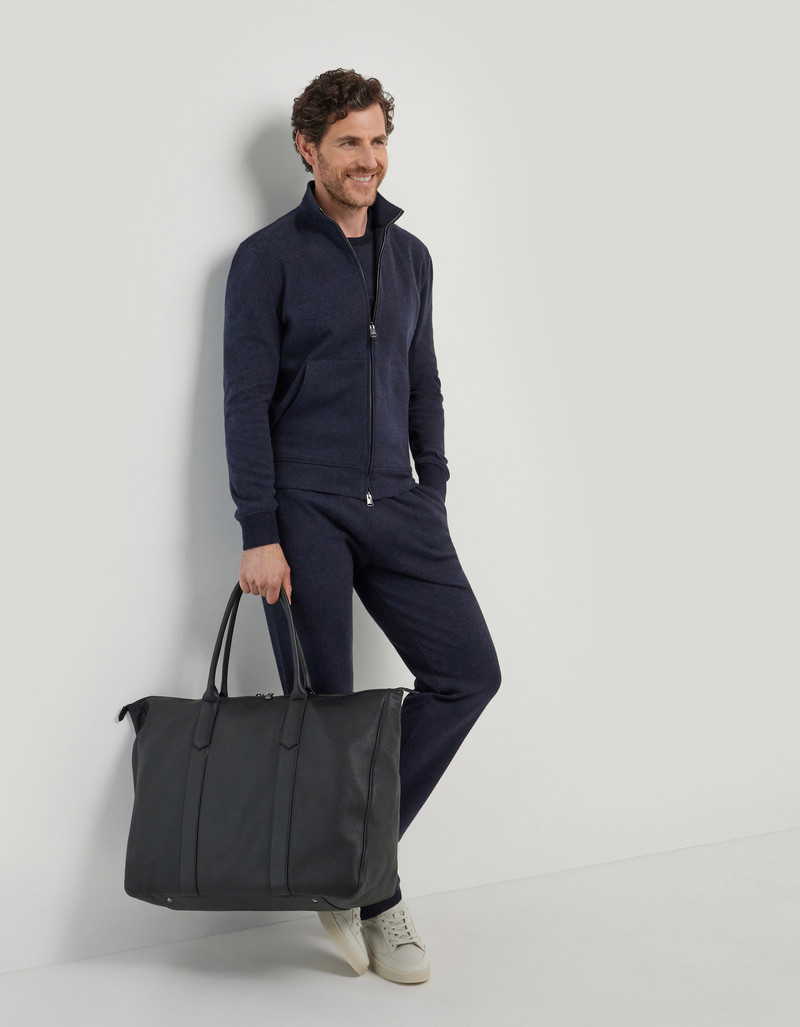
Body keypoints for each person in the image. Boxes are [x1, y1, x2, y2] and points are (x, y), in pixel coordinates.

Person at [223, 68, 501, 985]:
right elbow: (244, 402)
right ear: (309, 149)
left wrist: (435, 490)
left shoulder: (410, 256)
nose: (368, 159)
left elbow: (424, 382)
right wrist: (260, 529)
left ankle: (344, 864)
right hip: (304, 509)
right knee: (330, 711)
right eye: (349, 142)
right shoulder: (266, 258)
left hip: (400, 501)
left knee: (468, 674)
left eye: (378, 140)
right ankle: (375, 893)